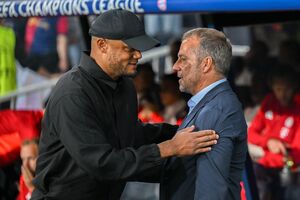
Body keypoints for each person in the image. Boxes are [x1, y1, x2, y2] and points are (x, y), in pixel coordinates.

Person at [31, 9, 218, 200]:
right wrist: (170, 147)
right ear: (102, 45)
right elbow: (101, 163)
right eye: (130, 48)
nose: (138, 55)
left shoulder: (125, 85)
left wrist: (185, 131)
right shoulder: (72, 93)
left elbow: (131, 134)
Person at [160, 28, 248, 200]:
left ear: (206, 64)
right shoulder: (212, 104)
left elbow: (211, 192)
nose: (175, 66)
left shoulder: (215, 111)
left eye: (183, 59)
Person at [248, 65, 300, 200]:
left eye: (287, 89)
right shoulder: (269, 101)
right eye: (278, 89)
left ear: (294, 87)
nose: (282, 94)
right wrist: (268, 142)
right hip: (264, 163)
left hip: (288, 168)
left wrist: (281, 158)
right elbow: (251, 133)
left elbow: (296, 153)